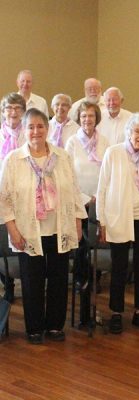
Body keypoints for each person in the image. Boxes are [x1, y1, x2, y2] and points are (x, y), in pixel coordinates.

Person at [0, 108, 87, 344]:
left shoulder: (62, 156)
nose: (36, 131)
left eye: (40, 126)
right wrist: (12, 230)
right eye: (31, 127)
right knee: (32, 280)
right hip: (28, 231)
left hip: (59, 227)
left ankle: (55, 326)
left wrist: (78, 222)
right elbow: (4, 198)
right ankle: (35, 328)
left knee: (59, 278)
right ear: (24, 130)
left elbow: (74, 191)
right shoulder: (14, 160)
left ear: (47, 129)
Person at [97, 113, 139, 333]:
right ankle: (116, 313)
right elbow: (101, 189)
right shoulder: (114, 153)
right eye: (136, 131)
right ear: (128, 132)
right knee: (119, 267)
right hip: (119, 219)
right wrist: (101, 221)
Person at [65, 101, 108, 322]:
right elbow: (68, 174)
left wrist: (97, 198)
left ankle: (95, 279)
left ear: (96, 118)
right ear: (79, 118)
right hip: (78, 201)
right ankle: (81, 283)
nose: (87, 120)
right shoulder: (72, 142)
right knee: (81, 247)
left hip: (99, 200)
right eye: (83, 116)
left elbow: (107, 173)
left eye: (90, 116)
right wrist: (83, 199)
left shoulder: (105, 142)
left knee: (96, 243)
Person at [0, 92, 26, 303]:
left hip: (24, 196)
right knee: (1, 244)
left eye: (18, 108)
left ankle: (25, 279)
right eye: (9, 108)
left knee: (21, 239)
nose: (13, 112)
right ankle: (7, 283)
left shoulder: (30, 134)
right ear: (3, 112)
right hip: (1, 195)